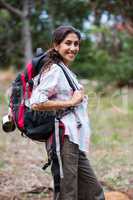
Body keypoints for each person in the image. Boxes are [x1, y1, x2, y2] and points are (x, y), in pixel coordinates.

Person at [30, 25, 105, 200]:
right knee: (67, 193)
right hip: (63, 139)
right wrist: (70, 101)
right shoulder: (55, 70)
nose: (73, 48)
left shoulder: (65, 70)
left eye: (76, 44)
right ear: (56, 45)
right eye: (68, 43)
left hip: (73, 139)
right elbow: (36, 101)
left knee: (94, 193)